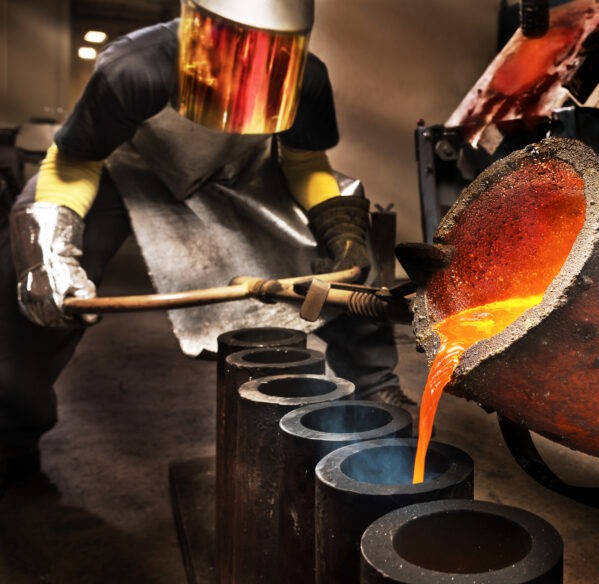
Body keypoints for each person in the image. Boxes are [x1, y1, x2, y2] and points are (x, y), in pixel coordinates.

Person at [0, 0, 415, 484]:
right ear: (198, 28)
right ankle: (11, 430)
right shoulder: (134, 68)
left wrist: (342, 234)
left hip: (239, 174)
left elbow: (305, 163)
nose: (250, 70)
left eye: (272, 57)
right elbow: (73, 163)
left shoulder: (308, 77)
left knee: (344, 261)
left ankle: (375, 390)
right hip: (128, 171)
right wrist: (49, 254)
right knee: (34, 278)